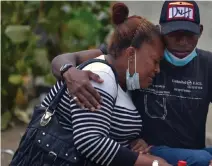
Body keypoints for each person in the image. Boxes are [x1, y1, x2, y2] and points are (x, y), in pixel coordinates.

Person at [51, 1, 212, 166]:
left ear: (200, 32)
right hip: (150, 150)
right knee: (199, 160)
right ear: (161, 31)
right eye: (174, 34)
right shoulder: (137, 53)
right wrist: (69, 72)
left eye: (189, 34)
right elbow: (70, 59)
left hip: (194, 152)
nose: (182, 41)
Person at [11, 3, 171, 166]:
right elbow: (90, 142)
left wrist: (131, 142)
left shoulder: (121, 80)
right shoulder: (101, 76)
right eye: (155, 61)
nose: (157, 69)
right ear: (131, 54)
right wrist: (152, 163)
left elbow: (101, 126)